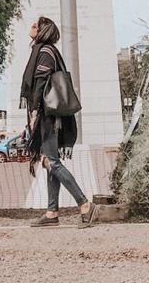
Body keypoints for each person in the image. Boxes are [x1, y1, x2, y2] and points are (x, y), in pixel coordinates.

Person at [19, 15, 94, 227]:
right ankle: (52, 213)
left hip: (48, 117)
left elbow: (41, 83)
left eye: (36, 25)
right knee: (49, 160)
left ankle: (84, 204)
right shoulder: (45, 51)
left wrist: (34, 113)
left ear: (43, 31)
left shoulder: (44, 53)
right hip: (50, 116)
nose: (32, 27)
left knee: (51, 161)